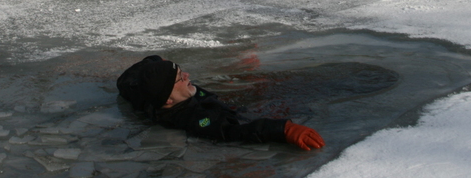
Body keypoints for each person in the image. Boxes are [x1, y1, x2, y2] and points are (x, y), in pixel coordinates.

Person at [116, 55, 326, 150]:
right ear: (169, 99)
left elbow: (126, 81)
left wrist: (154, 62)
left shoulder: (145, 93)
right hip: (239, 113)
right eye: (181, 77)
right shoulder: (193, 118)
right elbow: (231, 131)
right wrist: (281, 130)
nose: (188, 75)